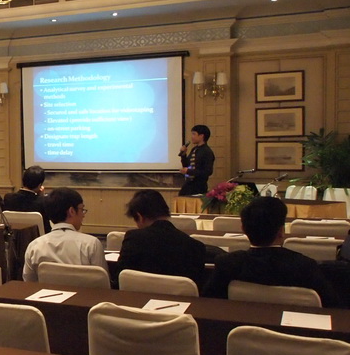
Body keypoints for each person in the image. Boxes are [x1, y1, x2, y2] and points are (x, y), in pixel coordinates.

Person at [203, 196, 338, 306]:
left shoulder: (227, 264)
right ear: (281, 231)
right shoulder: (305, 267)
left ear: (243, 229)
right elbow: (333, 305)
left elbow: (209, 301)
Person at [116, 189, 207, 287]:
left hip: (137, 295)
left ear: (140, 217)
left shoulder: (133, 239)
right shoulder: (196, 247)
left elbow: (119, 279)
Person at [22, 187, 105, 281]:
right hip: (81, 291)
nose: (83, 215)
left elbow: (29, 282)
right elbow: (102, 283)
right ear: (72, 211)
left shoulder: (34, 246)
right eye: (82, 209)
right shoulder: (91, 244)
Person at [2, 166, 51, 230]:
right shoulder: (43, 202)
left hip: (14, 235)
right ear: (39, 185)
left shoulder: (8, 198)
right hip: (38, 236)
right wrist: (41, 196)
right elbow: (47, 227)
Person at [178, 124, 215, 196]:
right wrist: (183, 155)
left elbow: (208, 171)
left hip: (199, 187)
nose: (192, 137)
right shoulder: (194, 149)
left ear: (201, 136)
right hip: (188, 185)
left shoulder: (207, 151)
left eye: (194, 134)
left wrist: (189, 171)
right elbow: (187, 165)